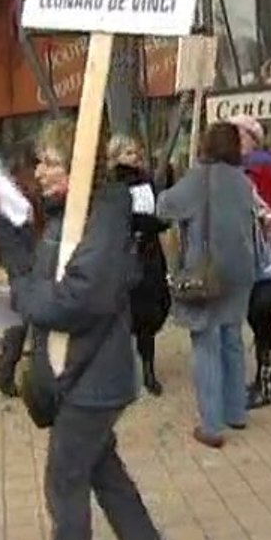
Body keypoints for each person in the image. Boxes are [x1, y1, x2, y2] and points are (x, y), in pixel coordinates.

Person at [0, 118, 168, 540]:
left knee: (64, 481)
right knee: (100, 466)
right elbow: (45, 275)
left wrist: (25, 290)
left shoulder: (101, 219)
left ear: (80, 167)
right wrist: (7, 233)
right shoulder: (75, 214)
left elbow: (75, 301)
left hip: (92, 379)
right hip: (86, 374)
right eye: (41, 161)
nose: (40, 170)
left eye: (51, 161)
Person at [157, 122, 256, 449]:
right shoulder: (242, 181)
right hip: (240, 270)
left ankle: (212, 425)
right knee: (232, 338)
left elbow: (165, 207)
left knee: (206, 344)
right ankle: (236, 410)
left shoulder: (200, 177)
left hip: (207, 273)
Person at [227, 115, 271, 409]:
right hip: (246, 250)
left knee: (260, 314)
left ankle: (267, 379)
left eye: (239, 135)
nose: (235, 140)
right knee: (257, 315)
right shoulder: (236, 167)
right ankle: (269, 371)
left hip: (262, 252)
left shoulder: (264, 165)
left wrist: (263, 216)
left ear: (252, 137)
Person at [108, 135, 170, 397]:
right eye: (128, 152)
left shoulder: (148, 182)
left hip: (150, 256)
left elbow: (161, 216)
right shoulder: (111, 186)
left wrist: (152, 223)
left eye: (136, 151)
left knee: (149, 313)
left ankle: (148, 370)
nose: (134, 156)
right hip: (122, 258)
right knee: (123, 316)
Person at [0, 142, 44, 398]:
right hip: (25, 264)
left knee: (22, 320)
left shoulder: (17, 193)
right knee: (26, 319)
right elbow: (11, 238)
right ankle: (9, 371)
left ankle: (6, 371)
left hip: (27, 263)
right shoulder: (6, 197)